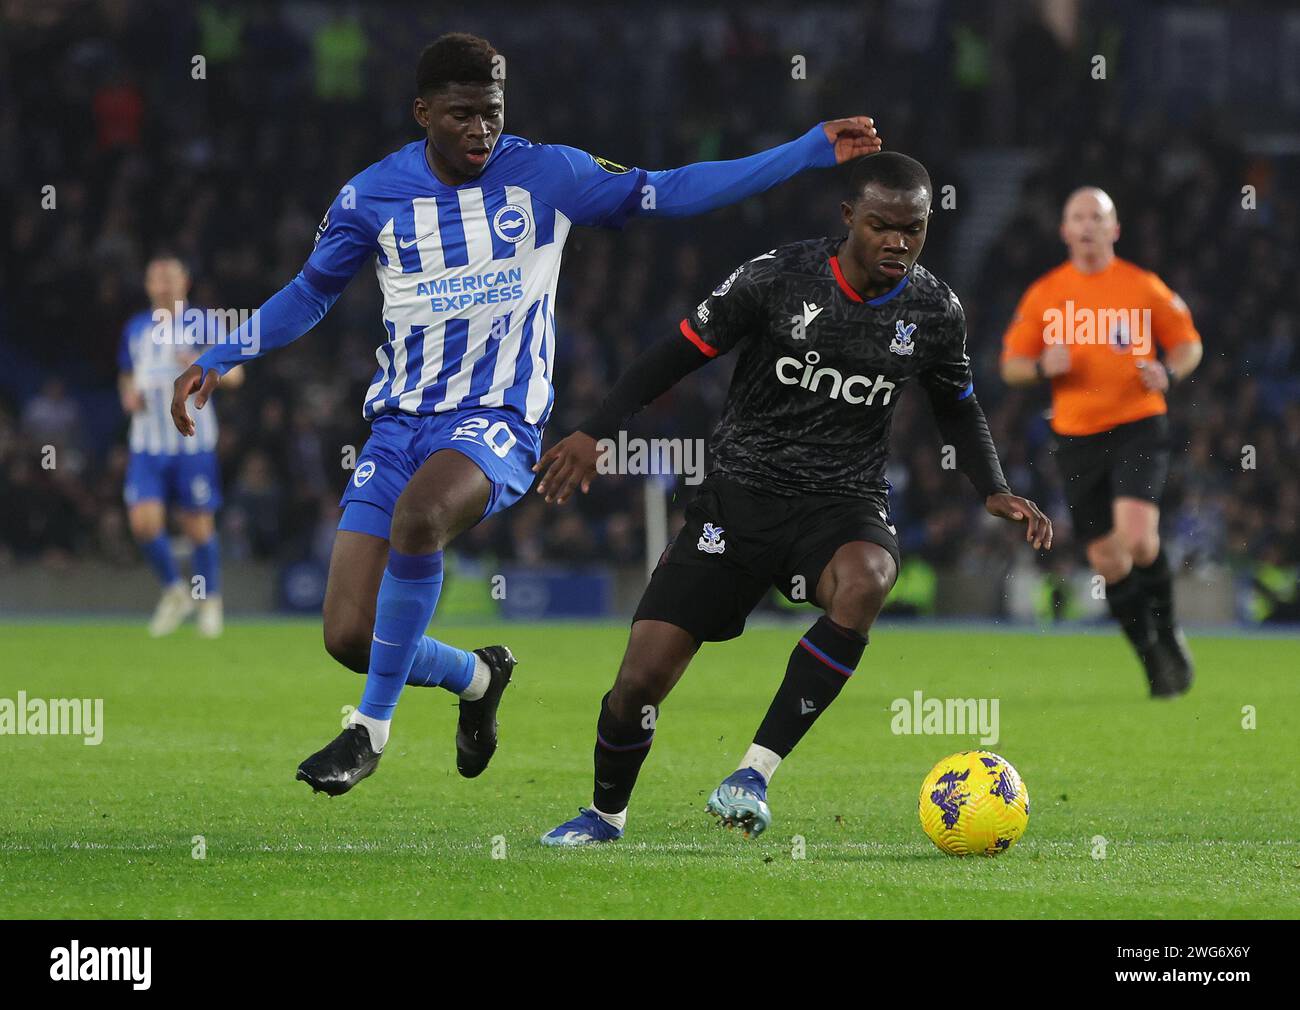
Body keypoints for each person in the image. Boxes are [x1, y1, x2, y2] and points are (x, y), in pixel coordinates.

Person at [168, 32, 883, 796]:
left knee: (419, 520)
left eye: (493, 113)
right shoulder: (370, 195)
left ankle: (367, 732)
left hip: (495, 420)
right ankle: (477, 677)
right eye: (462, 115)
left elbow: (669, 189)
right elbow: (312, 291)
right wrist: (223, 352)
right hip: (397, 425)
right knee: (350, 635)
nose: (481, 130)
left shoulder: (549, 173)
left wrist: (803, 150)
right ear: (423, 113)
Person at [535, 151, 1051, 845]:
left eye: (914, 228)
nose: (898, 241)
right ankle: (604, 816)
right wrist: (596, 431)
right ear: (848, 219)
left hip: (841, 505)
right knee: (639, 685)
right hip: (738, 502)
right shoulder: (778, 278)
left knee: (868, 578)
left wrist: (993, 488)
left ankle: (752, 773)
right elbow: (676, 353)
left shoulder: (934, 310)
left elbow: (957, 404)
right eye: (882, 226)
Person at [1000, 187, 1203, 697]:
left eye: (1097, 217)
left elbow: (1188, 344)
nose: (1087, 226)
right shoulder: (1045, 294)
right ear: (1065, 231)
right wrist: (1043, 366)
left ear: (1114, 230)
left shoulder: (1143, 286)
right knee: (1108, 561)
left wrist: (1169, 373)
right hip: (1076, 437)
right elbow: (1011, 365)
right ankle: (1151, 656)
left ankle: (1169, 631)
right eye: (1077, 217)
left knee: (1138, 539)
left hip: (1138, 423)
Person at [120, 254, 242, 637]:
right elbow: (126, 375)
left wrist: (204, 364)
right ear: (147, 284)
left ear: (185, 282)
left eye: (170, 276)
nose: (163, 283)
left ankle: (210, 602)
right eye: (156, 276)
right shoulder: (136, 329)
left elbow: (238, 374)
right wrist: (128, 396)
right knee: (143, 523)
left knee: (198, 526)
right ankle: (175, 591)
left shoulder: (204, 322)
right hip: (146, 443)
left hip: (193, 444)